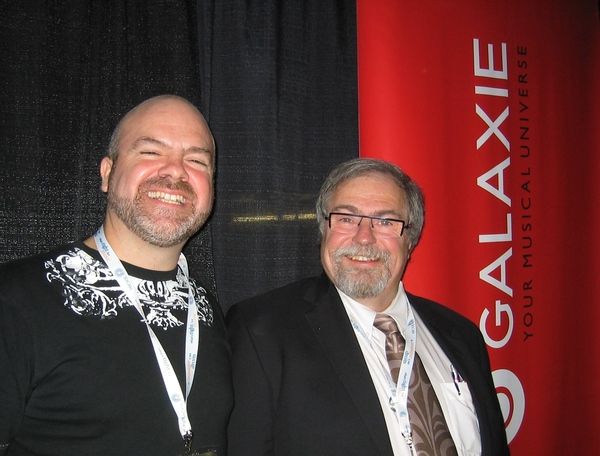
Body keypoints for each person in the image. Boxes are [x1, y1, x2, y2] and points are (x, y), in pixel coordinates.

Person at [226, 158, 509, 456]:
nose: (364, 237)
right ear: (324, 229)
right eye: (346, 219)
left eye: (385, 221)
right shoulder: (262, 332)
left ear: (410, 240)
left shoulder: (462, 336)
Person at [0, 95, 232, 456]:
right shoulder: (15, 299)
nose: (175, 171)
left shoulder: (206, 309)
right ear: (107, 173)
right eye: (151, 152)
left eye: (196, 160)